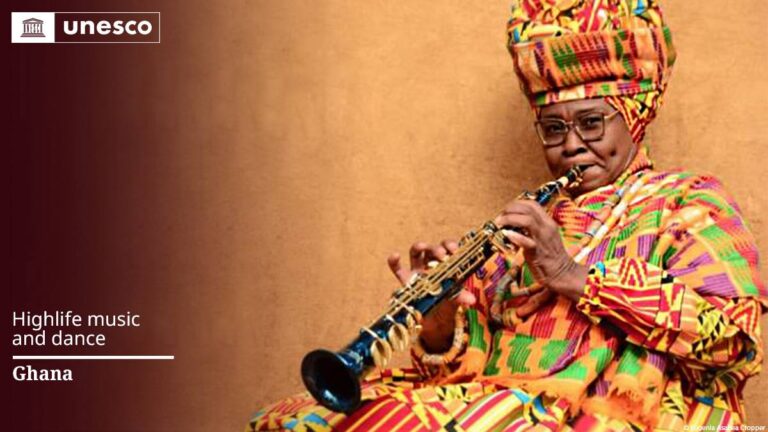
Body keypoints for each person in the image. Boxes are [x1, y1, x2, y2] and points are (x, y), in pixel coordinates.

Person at [249, 1, 767, 430]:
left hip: (612, 413)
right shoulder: (529, 223)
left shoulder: (688, 200)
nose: (571, 145)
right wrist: (439, 322)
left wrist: (571, 275)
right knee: (293, 420)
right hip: (503, 403)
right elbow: (464, 373)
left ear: (633, 119)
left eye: (591, 122)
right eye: (553, 128)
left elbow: (735, 344)